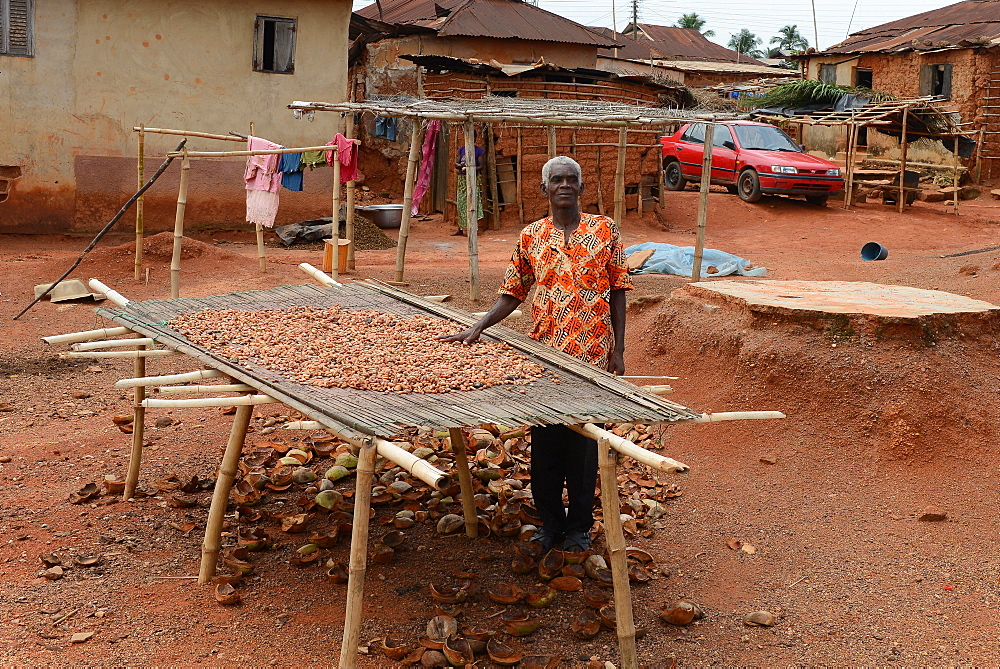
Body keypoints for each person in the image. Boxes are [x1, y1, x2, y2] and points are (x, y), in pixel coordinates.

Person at [440, 156, 634, 553]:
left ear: (581, 188)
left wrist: (619, 348)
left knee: (583, 447)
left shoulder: (605, 230)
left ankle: (579, 527)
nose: (564, 185)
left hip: (591, 356)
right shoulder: (531, 236)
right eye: (556, 180)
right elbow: (514, 290)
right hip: (544, 356)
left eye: (571, 180)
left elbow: (618, 289)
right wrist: (479, 325)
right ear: (544, 190)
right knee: (545, 446)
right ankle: (549, 523)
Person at [454, 140, 484, 236]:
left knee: (473, 202)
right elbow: (456, 164)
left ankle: (474, 229)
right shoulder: (462, 150)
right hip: (462, 180)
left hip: (473, 179)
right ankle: (461, 228)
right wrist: (461, 166)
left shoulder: (479, 151)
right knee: (461, 203)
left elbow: (481, 166)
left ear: (475, 138)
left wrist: (470, 168)